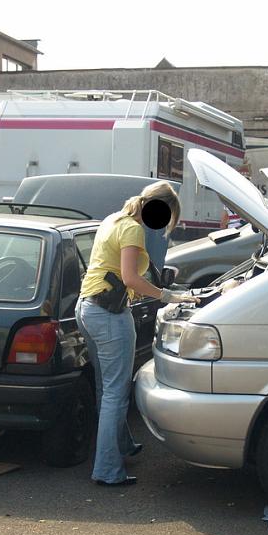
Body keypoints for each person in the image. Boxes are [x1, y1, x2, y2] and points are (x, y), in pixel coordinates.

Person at [75, 182, 197, 486]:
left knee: (107, 389)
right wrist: (168, 295)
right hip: (109, 313)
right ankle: (107, 469)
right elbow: (130, 277)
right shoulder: (132, 229)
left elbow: (117, 271)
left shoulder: (113, 219)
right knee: (116, 394)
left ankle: (122, 447)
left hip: (87, 307)